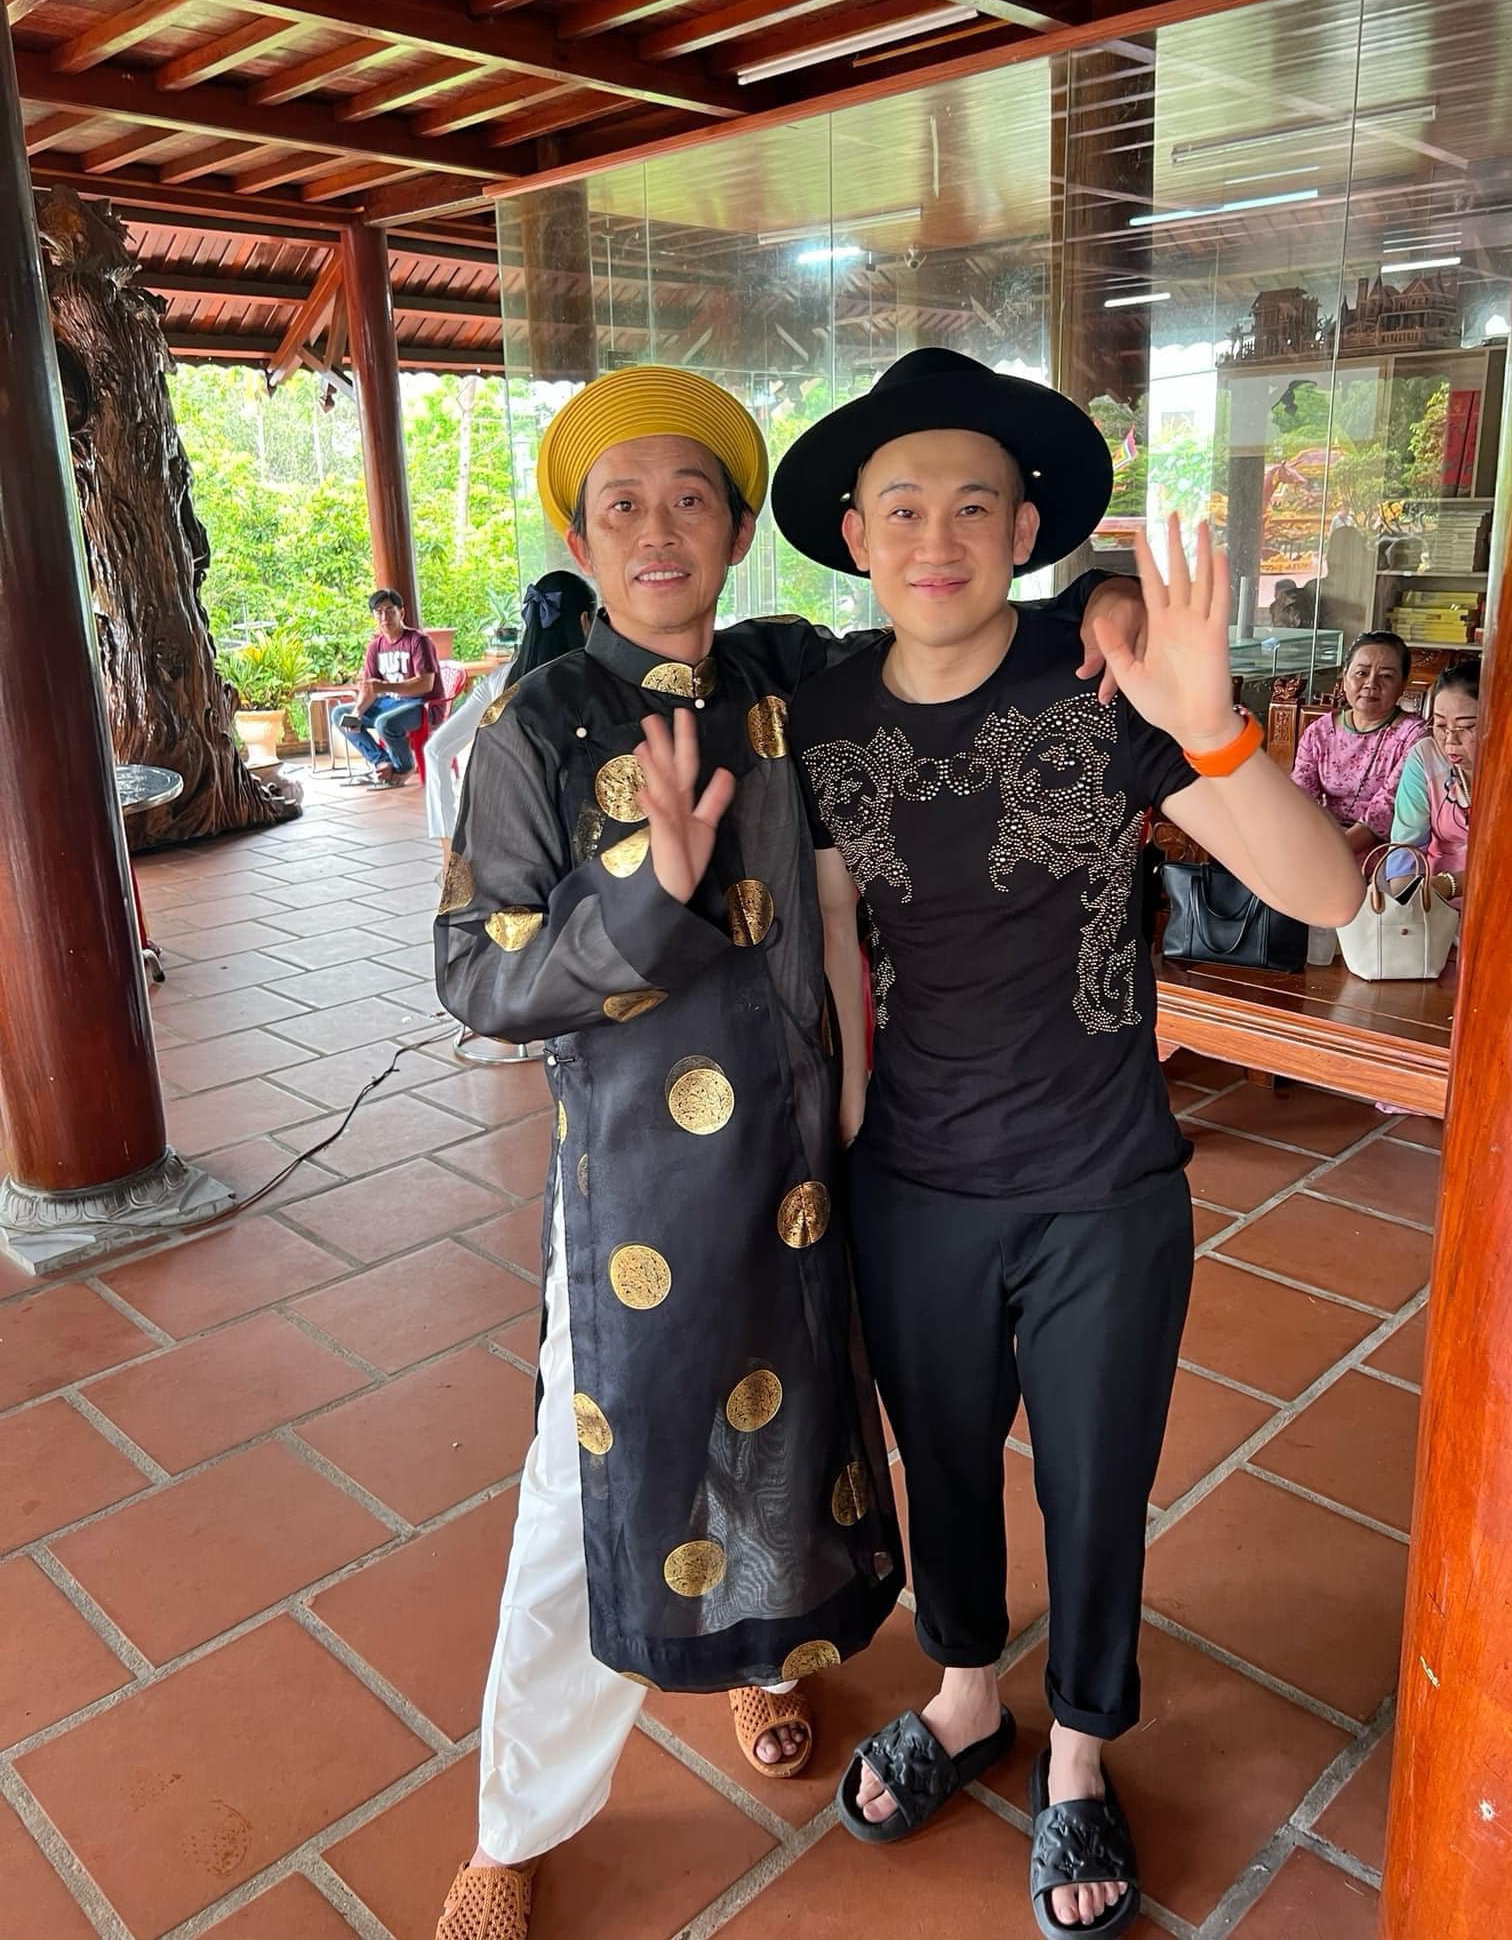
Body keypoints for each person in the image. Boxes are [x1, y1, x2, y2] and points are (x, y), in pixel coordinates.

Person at [430, 363, 1153, 1940]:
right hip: (637, 1196)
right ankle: (515, 1821)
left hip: (812, 1174)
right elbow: (474, 974)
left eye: (692, 498)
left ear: (739, 528)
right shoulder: (535, 726)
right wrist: (642, 891)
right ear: (580, 538)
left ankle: (756, 1661)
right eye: (623, 505)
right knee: (579, 1498)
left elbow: (953, 623)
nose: (659, 530)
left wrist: (1102, 598)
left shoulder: (783, 674)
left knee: (780, 1434)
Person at [772, 347, 1362, 1938]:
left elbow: (1324, 894)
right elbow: (832, 935)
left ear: (1025, 528)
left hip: (1102, 1182)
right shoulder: (819, 713)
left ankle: (1083, 1750)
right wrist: (839, 1144)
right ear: (854, 532)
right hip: (914, 1181)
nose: (937, 536)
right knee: (943, 1461)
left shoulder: (1103, 678)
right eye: (902, 507)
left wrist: (1209, 726)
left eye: (974, 505)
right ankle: (967, 1695)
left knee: (1097, 1482)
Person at [425, 570, 596, 857]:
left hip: (508, 830)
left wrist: (448, 846)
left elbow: (436, 750)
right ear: (584, 621)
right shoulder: (596, 683)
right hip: (580, 836)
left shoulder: (500, 681)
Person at [1290, 630, 1426, 858]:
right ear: (1345, 678)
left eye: (1386, 676)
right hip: (1320, 840)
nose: (1371, 684)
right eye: (1361, 673)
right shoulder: (1319, 732)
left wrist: (1331, 852)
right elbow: (1299, 798)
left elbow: (1386, 809)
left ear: (1403, 685)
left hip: (1382, 850)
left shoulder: (1415, 736)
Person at [1386, 655, 1479, 905]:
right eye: (1440, 725)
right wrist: (1407, 902)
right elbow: (1406, 845)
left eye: (1467, 727)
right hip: (1433, 900)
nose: (1450, 740)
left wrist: (1451, 884)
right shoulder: (1426, 757)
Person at [332, 588, 442, 787]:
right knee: (340, 714)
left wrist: (384, 686)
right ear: (373, 616)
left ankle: (404, 767)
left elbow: (426, 684)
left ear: (402, 612)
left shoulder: (418, 641)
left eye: (390, 611)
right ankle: (382, 762)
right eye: (379, 612)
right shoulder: (375, 646)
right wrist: (357, 713)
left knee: (384, 723)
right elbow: (370, 688)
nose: (385, 617)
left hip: (422, 705)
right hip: (390, 703)